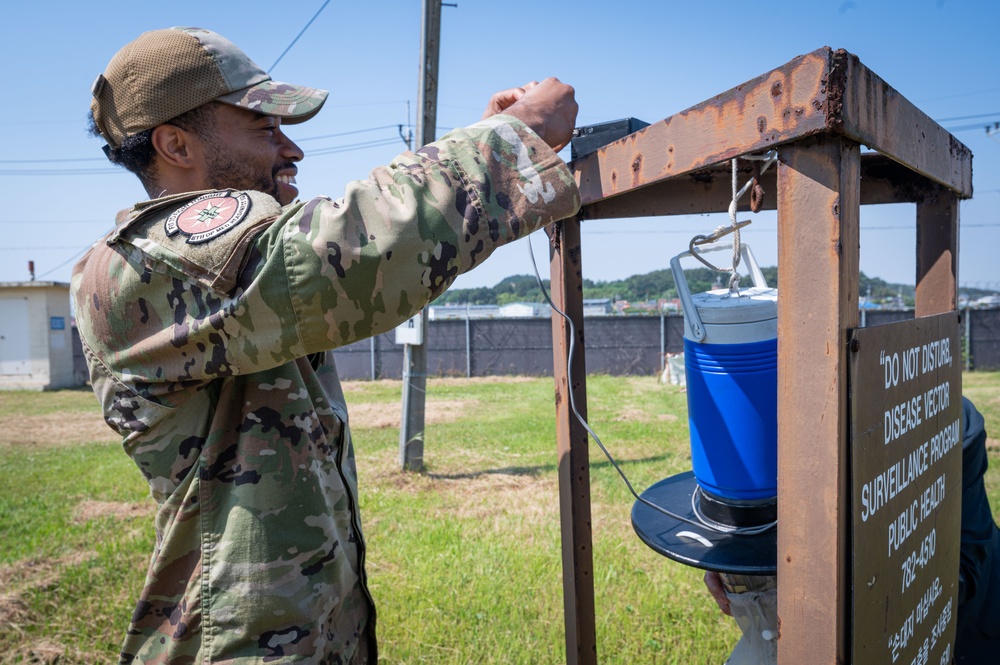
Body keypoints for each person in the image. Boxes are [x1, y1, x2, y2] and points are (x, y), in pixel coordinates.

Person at [73, 26, 581, 664]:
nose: (293, 149)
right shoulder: (145, 264)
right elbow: (351, 254)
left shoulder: (216, 268)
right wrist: (510, 140)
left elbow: (376, 245)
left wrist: (481, 146)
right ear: (175, 144)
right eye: (265, 128)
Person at [703, 397, 999, 663]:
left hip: (966, 632)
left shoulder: (946, 417)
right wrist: (734, 564)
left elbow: (965, 565)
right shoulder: (772, 422)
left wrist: (846, 604)